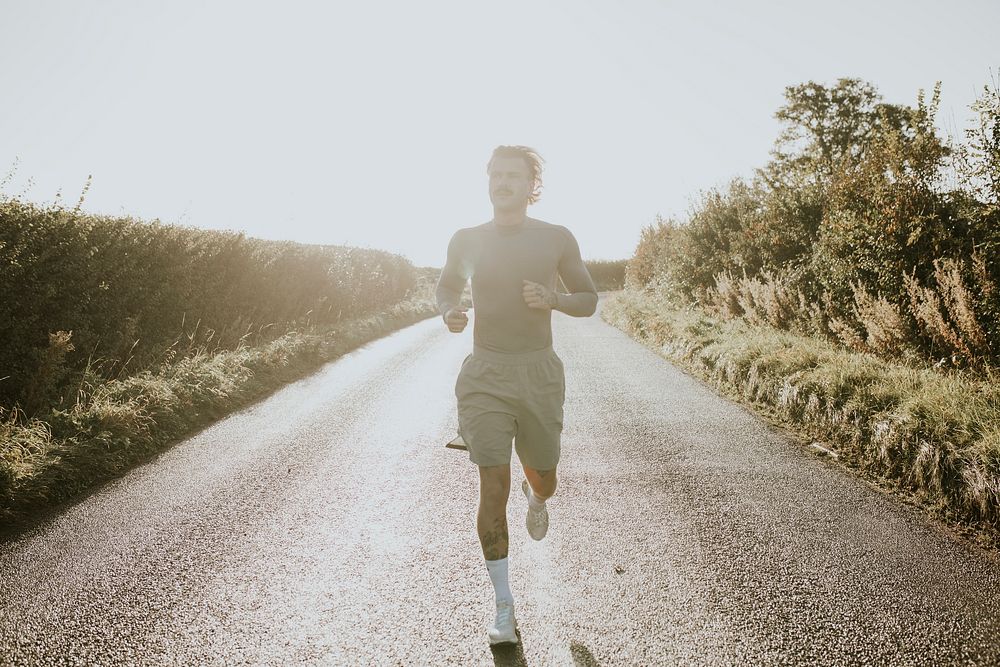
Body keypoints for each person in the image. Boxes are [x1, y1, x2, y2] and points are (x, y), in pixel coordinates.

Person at [435, 145, 598, 646]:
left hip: (539, 374)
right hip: (485, 373)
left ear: (532, 185)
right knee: (491, 486)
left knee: (545, 479)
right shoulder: (467, 239)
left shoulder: (555, 238)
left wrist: (554, 298)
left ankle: (538, 494)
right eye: (496, 174)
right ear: (488, 181)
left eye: (514, 175)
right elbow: (445, 289)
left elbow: (589, 299)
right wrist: (450, 313)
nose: (503, 182)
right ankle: (503, 607)